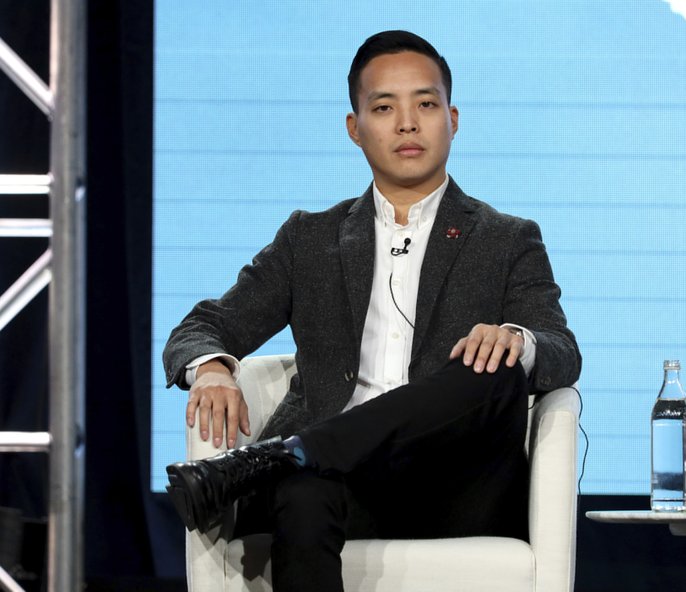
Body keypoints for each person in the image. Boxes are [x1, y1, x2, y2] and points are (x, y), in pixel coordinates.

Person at [163, 30, 581, 592]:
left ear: (453, 118)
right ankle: (299, 461)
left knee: (498, 363)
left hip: (451, 488)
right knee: (302, 491)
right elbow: (202, 326)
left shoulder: (507, 239)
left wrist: (515, 338)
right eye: (385, 108)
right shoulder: (309, 239)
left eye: (426, 104)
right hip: (340, 488)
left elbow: (561, 349)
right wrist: (213, 367)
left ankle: (289, 454)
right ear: (355, 128)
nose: (408, 123)